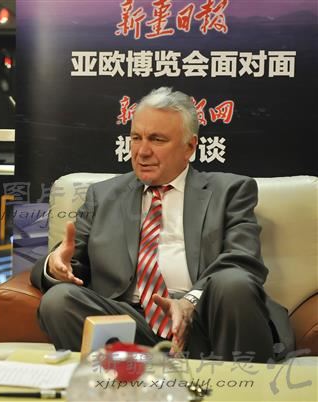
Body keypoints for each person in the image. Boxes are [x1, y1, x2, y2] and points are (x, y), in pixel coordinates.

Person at [31, 87, 294, 363]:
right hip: (128, 325)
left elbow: (242, 259)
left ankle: (235, 383)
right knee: (58, 300)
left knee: (234, 282)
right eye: (136, 138)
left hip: (207, 322)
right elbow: (70, 264)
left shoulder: (230, 191)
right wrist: (54, 266)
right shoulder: (102, 195)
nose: (142, 151)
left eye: (157, 139)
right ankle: (127, 378)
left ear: (190, 147)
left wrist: (190, 301)